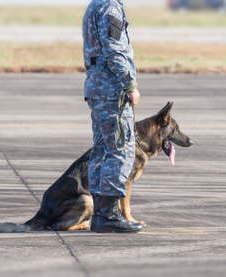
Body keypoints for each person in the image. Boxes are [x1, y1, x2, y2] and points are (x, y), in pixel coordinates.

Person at [83, 0, 143, 233]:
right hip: (111, 91)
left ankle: (101, 214)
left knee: (102, 150)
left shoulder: (95, 5)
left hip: (98, 89)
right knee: (120, 150)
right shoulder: (110, 8)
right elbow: (115, 49)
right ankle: (107, 215)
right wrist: (129, 84)